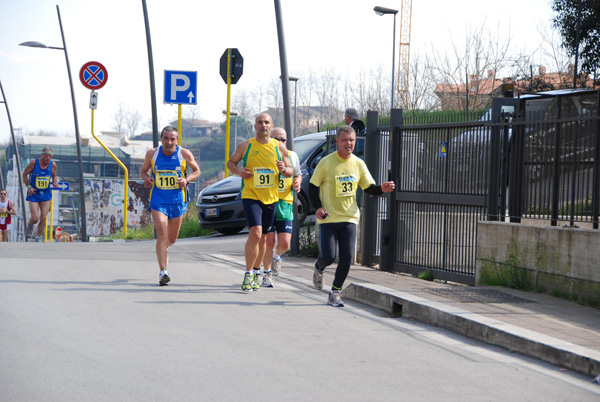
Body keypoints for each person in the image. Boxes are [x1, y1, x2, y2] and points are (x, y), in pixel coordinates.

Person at [309, 125, 395, 307]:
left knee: (347, 257)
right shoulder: (326, 162)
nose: (348, 144)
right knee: (329, 256)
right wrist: (317, 207)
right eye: (345, 140)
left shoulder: (358, 163)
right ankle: (319, 267)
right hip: (329, 218)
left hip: (349, 217)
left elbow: (369, 188)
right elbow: (312, 187)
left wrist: (381, 188)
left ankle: (335, 291)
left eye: (351, 140)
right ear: (337, 142)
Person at [227, 113, 292, 292]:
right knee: (255, 233)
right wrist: (240, 172)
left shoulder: (279, 147)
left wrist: (284, 169)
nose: (263, 125)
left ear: (271, 126)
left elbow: (291, 170)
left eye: (267, 122)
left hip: (271, 197)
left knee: (264, 238)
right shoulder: (246, 145)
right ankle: (248, 274)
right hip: (251, 194)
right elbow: (231, 163)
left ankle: (257, 272)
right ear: (255, 126)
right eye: (260, 122)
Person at [141, 126, 201, 286]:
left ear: (177, 140)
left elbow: (197, 171)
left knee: (171, 239)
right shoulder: (152, 154)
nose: (169, 142)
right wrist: (146, 179)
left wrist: (187, 180)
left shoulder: (184, 154)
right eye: (166, 138)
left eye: (172, 139)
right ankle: (163, 272)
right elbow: (144, 171)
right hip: (158, 200)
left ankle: (163, 249)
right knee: (161, 232)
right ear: (161, 139)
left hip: (177, 201)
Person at [260, 127, 302, 287]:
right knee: (269, 240)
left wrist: (298, 182)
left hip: (285, 203)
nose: (279, 142)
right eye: (276, 139)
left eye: (283, 139)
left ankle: (276, 257)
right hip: (267, 201)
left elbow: (297, 173)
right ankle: (267, 274)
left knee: (285, 244)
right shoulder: (264, 154)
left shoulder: (292, 156)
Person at [22, 147, 59, 242]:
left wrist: (55, 182)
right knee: (35, 218)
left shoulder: (53, 165)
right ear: (42, 155)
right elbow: (24, 174)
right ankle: (30, 226)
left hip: (45, 194)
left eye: (50, 156)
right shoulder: (34, 163)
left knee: (44, 217)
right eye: (46, 155)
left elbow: (54, 176)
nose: (48, 158)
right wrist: (29, 187)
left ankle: (38, 236)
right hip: (34, 193)